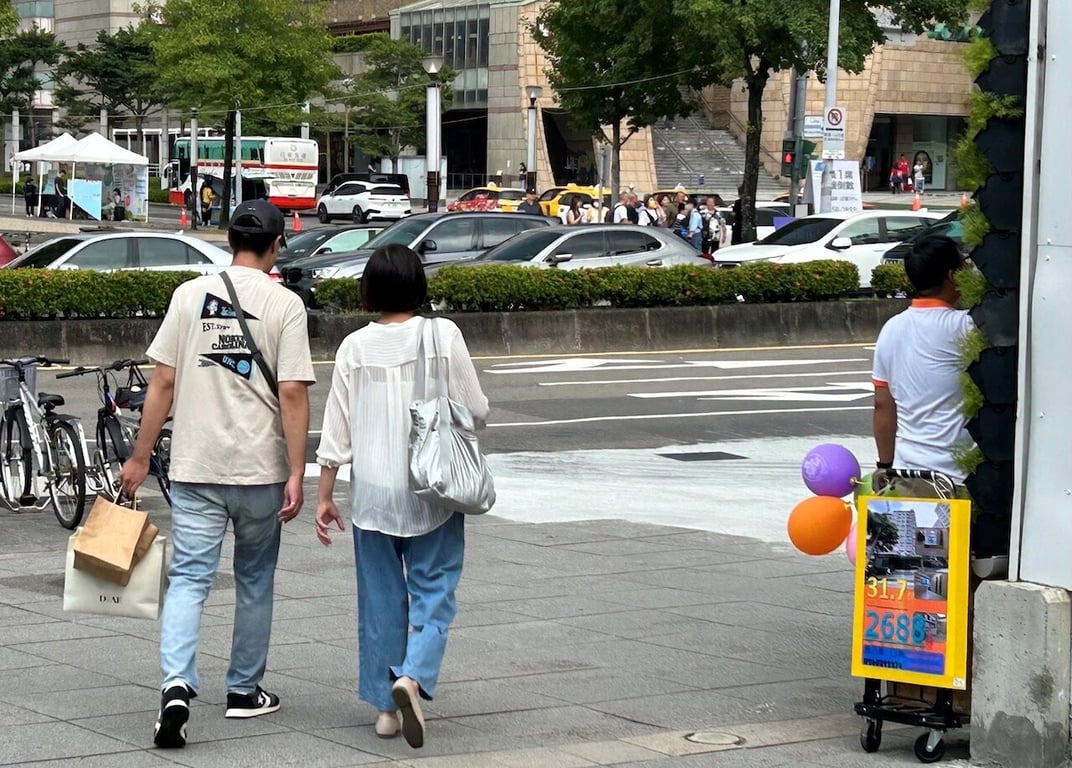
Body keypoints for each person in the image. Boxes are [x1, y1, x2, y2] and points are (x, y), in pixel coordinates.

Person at [118, 199, 315, 750]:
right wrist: (297, 471)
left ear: (229, 241)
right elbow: (292, 392)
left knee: (188, 580)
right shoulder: (285, 304)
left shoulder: (188, 296)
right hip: (260, 470)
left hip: (196, 465)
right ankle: (243, 691)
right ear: (277, 244)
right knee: (254, 580)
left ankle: (176, 686)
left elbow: (162, 383)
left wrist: (140, 455)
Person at [314, 244, 489, 750]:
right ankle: (412, 677)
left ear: (369, 289)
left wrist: (325, 495)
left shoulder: (354, 347)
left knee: (380, 603)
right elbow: (476, 409)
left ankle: (385, 712)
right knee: (434, 592)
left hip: (372, 494)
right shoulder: (442, 335)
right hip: (433, 489)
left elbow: (337, 431)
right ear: (418, 285)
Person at [872, 235, 973, 488]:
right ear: (952, 276)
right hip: (959, 480)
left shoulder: (891, 328)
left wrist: (885, 465)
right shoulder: (965, 327)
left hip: (907, 474)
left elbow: (882, 405)